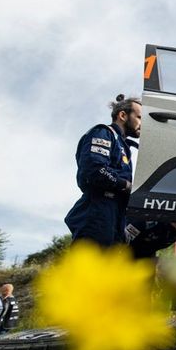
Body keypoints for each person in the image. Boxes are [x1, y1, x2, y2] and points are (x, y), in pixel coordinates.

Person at [65, 95, 141, 246]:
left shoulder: (125, 146)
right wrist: (127, 186)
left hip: (116, 214)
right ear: (123, 115)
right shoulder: (104, 133)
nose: (142, 123)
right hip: (98, 210)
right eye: (139, 117)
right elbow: (95, 170)